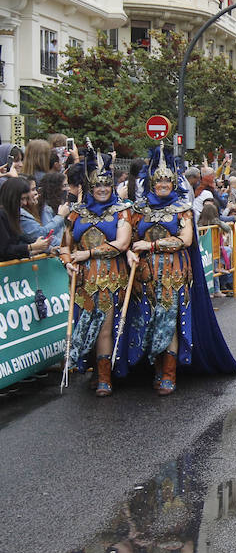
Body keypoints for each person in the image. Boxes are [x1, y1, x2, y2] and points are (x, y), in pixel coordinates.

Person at [127, 146, 236, 394]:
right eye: (159, 181)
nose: (163, 185)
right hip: (145, 275)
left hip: (174, 274)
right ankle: (156, 368)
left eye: (167, 181)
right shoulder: (139, 209)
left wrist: (151, 245)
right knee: (149, 321)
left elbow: (186, 240)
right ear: (151, 182)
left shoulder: (182, 208)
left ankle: (169, 373)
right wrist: (129, 251)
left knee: (169, 321)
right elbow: (129, 239)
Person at [57, 149, 132, 396]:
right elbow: (65, 245)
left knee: (105, 328)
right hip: (83, 280)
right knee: (84, 325)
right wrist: (68, 261)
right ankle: (93, 369)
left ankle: (104, 377)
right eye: (97, 185)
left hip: (111, 277)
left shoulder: (121, 211)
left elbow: (121, 244)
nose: (102, 189)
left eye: (106, 185)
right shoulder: (76, 213)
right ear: (89, 187)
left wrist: (88, 254)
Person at [0, 177, 50, 260]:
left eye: (26, 199)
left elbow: (13, 249)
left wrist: (38, 249)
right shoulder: (2, 214)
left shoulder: (12, 214)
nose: (24, 203)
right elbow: (4, 250)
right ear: (12, 197)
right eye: (22, 199)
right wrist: (31, 247)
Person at [21, 172, 68, 247]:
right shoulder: (46, 209)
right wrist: (60, 216)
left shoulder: (33, 208)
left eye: (35, 189)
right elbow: (42, 235)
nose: (36, 192)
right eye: (32, 190)